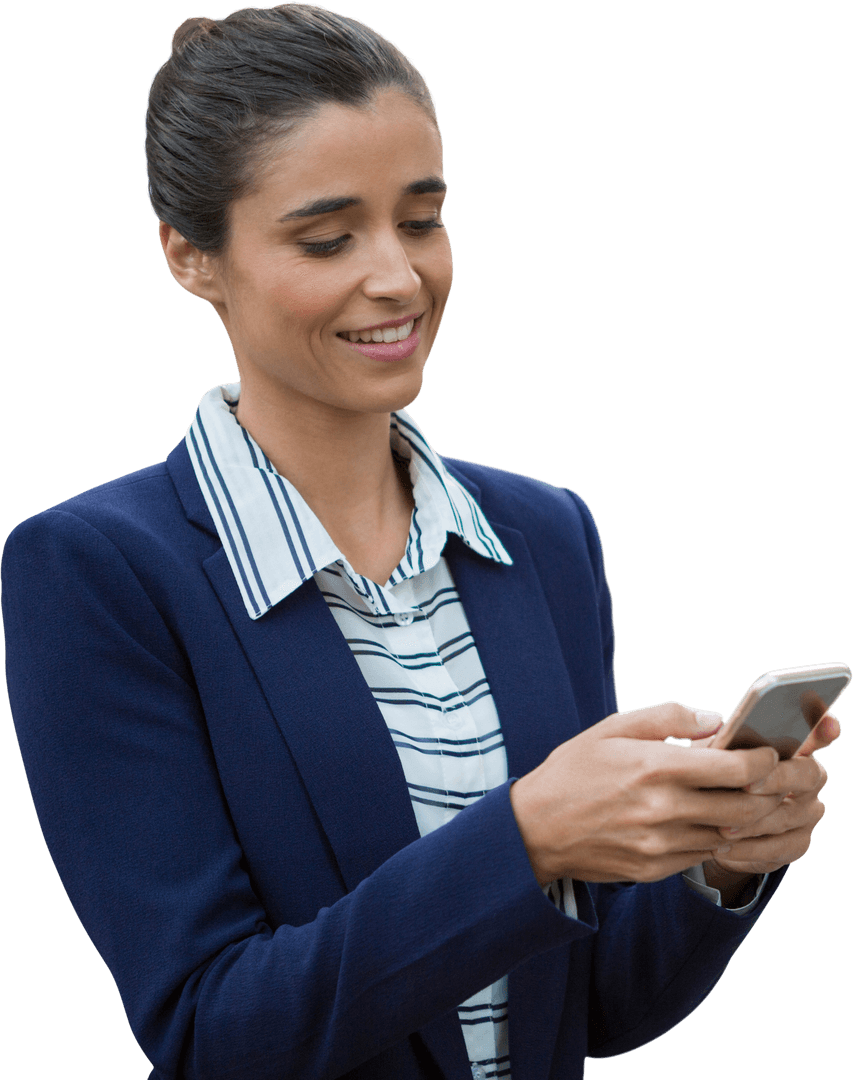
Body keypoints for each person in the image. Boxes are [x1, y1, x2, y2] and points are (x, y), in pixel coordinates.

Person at [1, 5, 839, 1079]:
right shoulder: (98, 572)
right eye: (326, 238)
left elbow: (589, 1006)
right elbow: (210, 1033)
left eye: (423, 220)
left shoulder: (544, 536)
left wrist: (716, 866)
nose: (397, 277)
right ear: (190, 256)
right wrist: (526, 840)